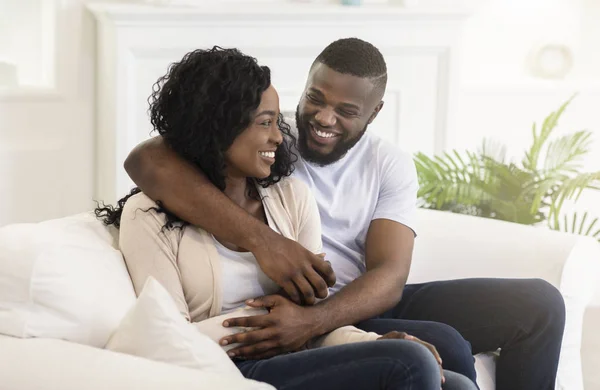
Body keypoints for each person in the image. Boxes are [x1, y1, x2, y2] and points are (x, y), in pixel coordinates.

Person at [123, 39, 566, 390]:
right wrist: (265, 242)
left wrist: (313, 321)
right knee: (445, 345)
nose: (323, 117)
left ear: (375, 113)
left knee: (540, 304)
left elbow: (390, 277)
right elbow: (149, 160)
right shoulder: (268, 143)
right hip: (284, 321)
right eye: (316, 98)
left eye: (347, 111)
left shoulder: (378, 165)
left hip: (350, 301)